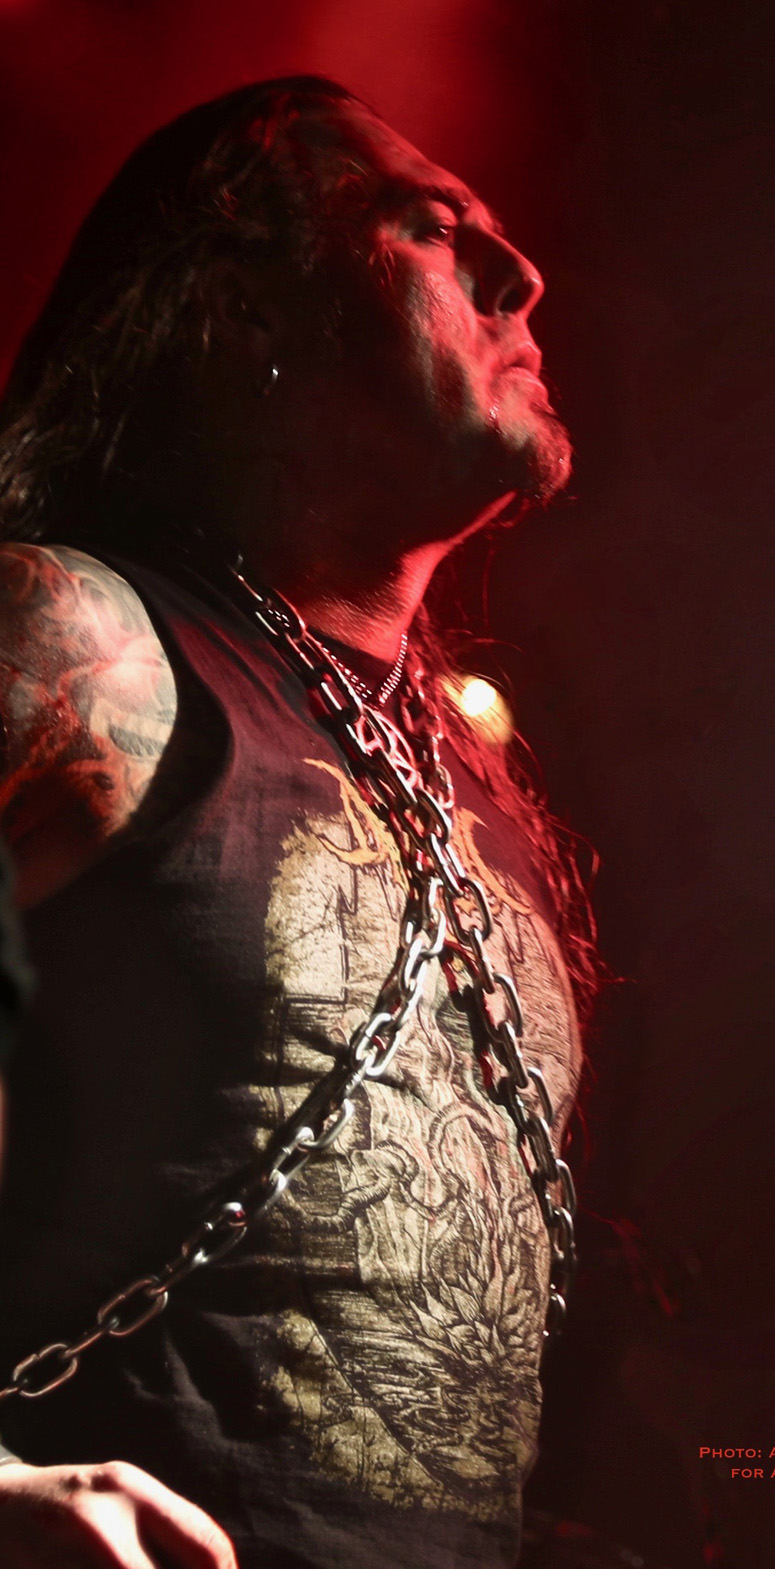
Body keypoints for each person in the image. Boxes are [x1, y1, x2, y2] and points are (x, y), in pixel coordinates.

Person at [0, 77, 595, 1569]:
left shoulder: (470, 782)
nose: (521, 276)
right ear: (243, 307)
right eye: (429, 228)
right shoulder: (76, 640)